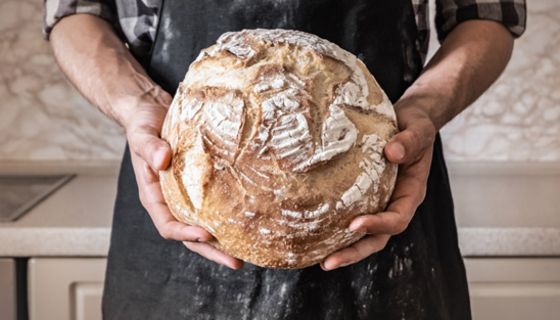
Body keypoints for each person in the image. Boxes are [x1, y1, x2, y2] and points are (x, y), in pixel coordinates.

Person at [44, 0, 526, 319]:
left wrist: (422, 109)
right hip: (177, 201)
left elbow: (488, 14)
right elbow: (74, 12)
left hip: (387, 208)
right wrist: (138, 103)